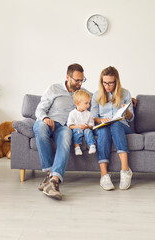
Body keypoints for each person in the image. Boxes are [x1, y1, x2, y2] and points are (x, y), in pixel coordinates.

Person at [33, 63, 89, 200]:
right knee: (39, 128)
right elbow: (39, 109)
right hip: (48, 122)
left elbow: (101, 98)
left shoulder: (82, 93)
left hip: (65, 126)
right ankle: (49, 171)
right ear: (67, 77)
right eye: (77, 80)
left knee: (66, 138)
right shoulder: (54, 89)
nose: (80, 83)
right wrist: (45, 118)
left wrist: (127, 100)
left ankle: (53, 181)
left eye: (82, 80)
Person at [91, 66, 134, 191]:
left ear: (116, 81)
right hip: (103, 125)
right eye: (105, 83)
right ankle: (104, 175)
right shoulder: (96, 95)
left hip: (121, 125)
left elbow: (131, 118)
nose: (107, 86)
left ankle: (125, 170)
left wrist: (126, 110)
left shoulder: (125, 93)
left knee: (115, 125)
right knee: (104, 131)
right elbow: (93, 117)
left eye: (110, 83)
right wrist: (100, 120)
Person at [67, 89, 97, 156]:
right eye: (86, 103)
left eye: (89, 103)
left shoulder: (89, 114)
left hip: (86, 129)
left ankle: (92, 146)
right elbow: (70, 125)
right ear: (78, 103)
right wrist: (78, 126)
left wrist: (87, 126)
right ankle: (77, 147)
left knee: (88, 131)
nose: (88, 105)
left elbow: (92, 125)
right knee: (77, 130)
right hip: (77, 130)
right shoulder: (72, 113)